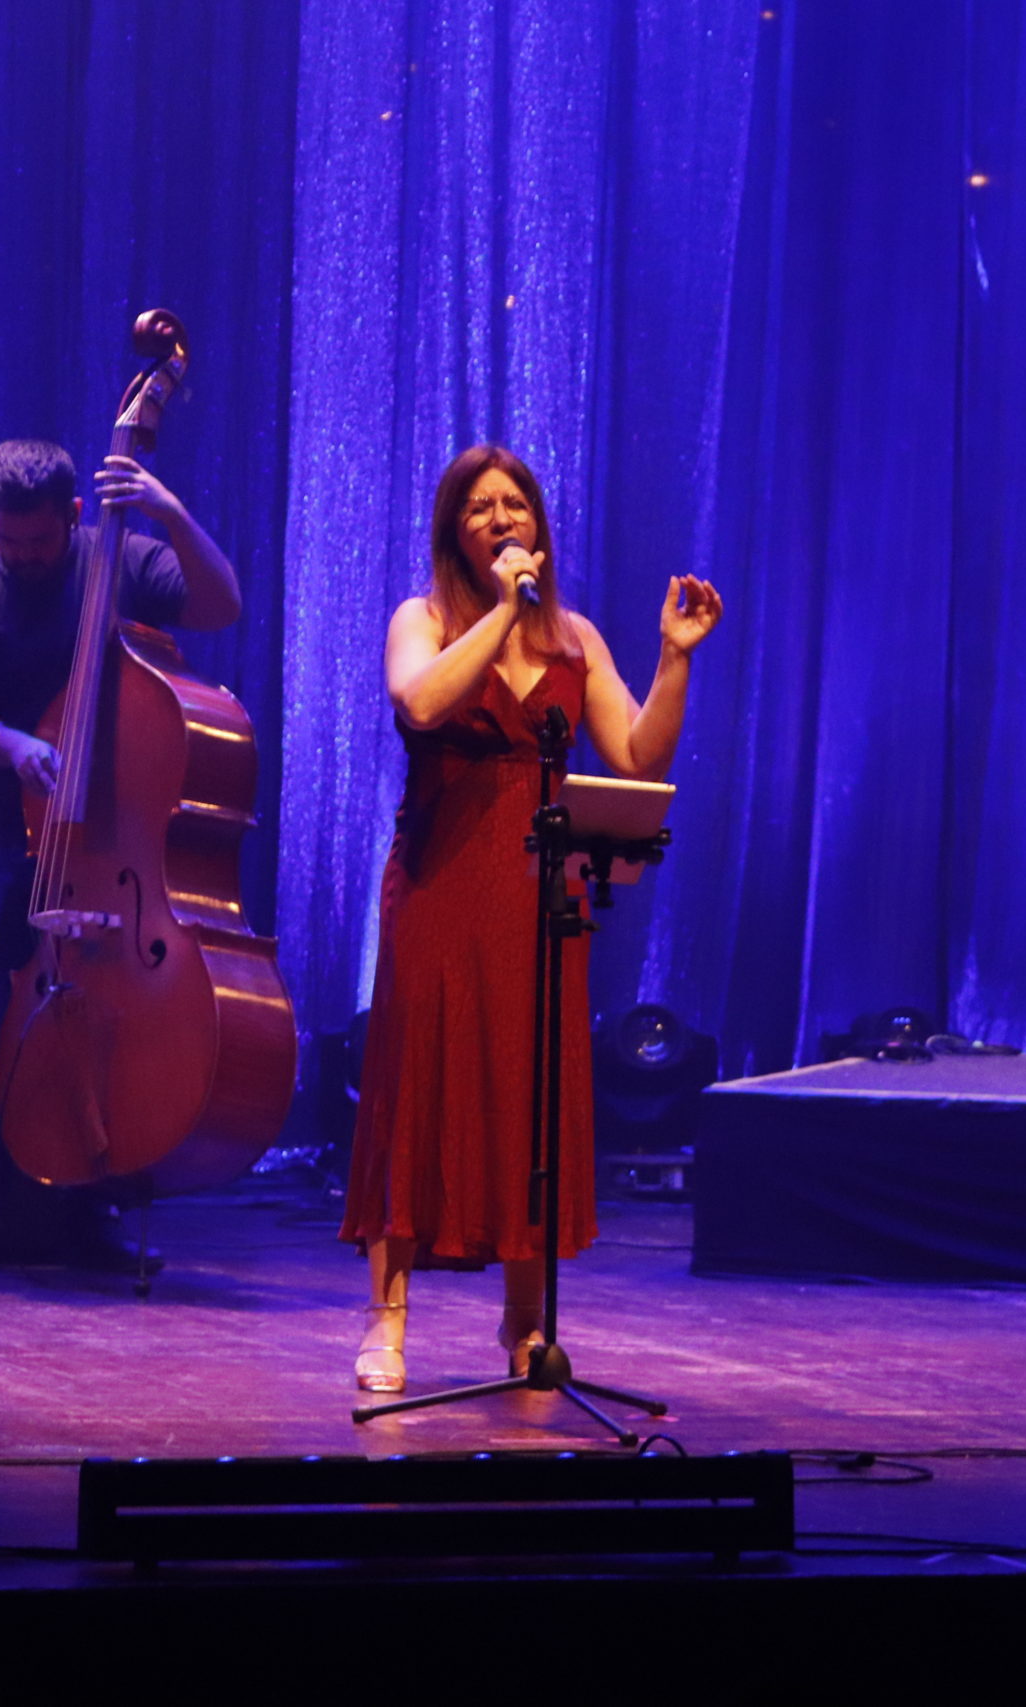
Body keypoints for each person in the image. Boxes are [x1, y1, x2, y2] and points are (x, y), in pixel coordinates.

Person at [339, 444, 724, 1391]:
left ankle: (524, 1320)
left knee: (528, 1092)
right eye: (480, 507)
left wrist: (674, 659)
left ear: (539, 525)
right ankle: (386, 1320)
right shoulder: (422, 620)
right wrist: (506, 611)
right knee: (418, 1085)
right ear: (454, 530)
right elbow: (421, 701)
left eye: (515, 504)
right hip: (439, 882)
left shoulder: (575, 639)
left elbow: (636, 757)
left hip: (538, 892)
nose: (502, 519)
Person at [0, 438, 242, 1271]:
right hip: (12, 829)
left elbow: (220, 605)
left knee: (109, 1021)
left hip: (113, 837)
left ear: (73, 513)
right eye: (9, 539)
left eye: (40, 539)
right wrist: (14, 744)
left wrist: (171, 513)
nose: (24, 555)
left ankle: (93, 1209)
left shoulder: (121, 560)